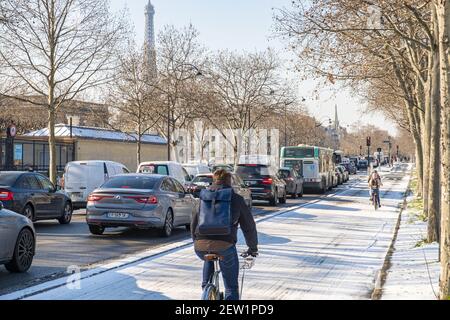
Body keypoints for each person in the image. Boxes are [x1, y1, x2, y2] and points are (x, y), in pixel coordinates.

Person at [191, 169, 258, 300]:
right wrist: (252, 248)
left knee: (207, 256)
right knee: (231, 287)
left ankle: (206, 288)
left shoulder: (203, 197)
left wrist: (196, 241)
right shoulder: (236, 199)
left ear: (214, 180)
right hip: (225, 246)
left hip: (200, 245)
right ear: (230, 182)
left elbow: (193, 223)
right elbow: (249, 227)